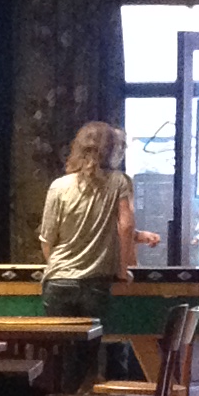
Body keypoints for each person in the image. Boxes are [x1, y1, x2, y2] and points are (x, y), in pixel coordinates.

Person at [39, 119, 159, 320]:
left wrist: (62, 266)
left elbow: (47, 239)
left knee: (60, 340)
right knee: (92, 340)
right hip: (96, 282)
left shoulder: (58, 186)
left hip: (59, 281)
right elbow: (125, 226)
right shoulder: (119, 182)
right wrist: (123, 271)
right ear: (111, 149)